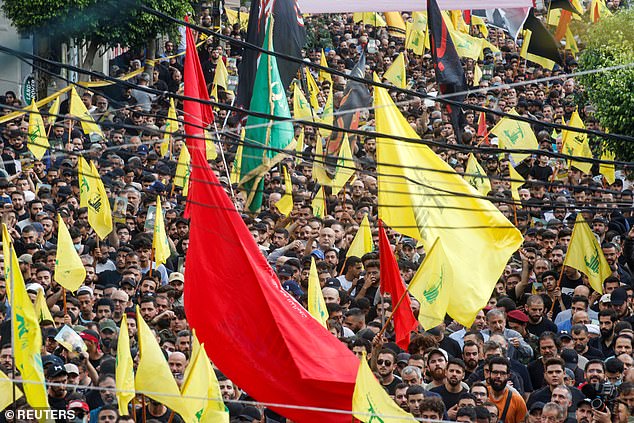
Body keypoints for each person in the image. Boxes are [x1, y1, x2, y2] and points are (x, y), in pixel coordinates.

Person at [485, 356, 527, 423]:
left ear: (508, 376)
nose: (498, 376)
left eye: (502, 373)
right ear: (489, 374)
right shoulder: (481, 394)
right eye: (495, 372)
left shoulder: (517, 401)